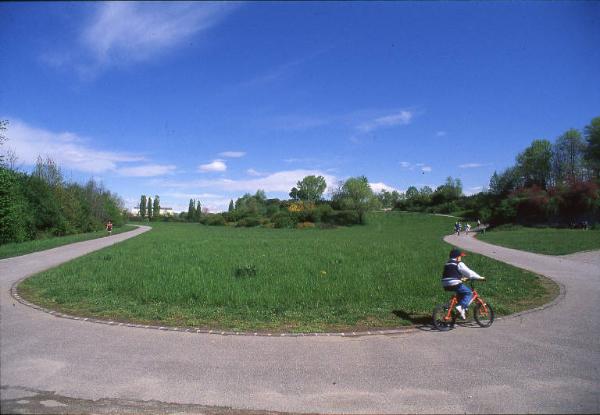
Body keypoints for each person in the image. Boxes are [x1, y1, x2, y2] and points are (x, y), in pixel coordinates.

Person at [441, 248, 485, 319]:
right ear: (457, 257)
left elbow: (451, 274)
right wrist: (479, 277)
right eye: (460, 256)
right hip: (454, 283)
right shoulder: (458, 263)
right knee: (469, 293)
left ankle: (456, 309)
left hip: (445, 283)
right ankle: (461, 307)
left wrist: (461, 278)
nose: (461, 258)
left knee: (461, 294)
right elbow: (469, 273)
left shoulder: (447, 263)